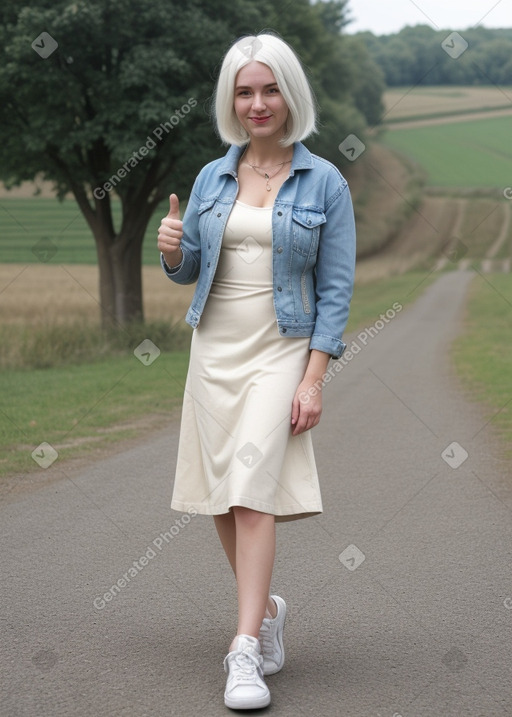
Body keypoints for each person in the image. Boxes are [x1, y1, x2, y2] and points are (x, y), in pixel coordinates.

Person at [157, 32, 356, 710]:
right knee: (220, 491)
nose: (257, 102)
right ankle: (267, 610)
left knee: (249, 489)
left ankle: (244, 650)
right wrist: (171, 250)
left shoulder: (324, 180)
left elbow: (335, 288)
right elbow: (193, 272)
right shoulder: (212, 177)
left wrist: (312, 376)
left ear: (290, 94)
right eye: (245, 90)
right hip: (213, 348)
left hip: (281, 347)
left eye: (270, 89)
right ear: (230, 100)